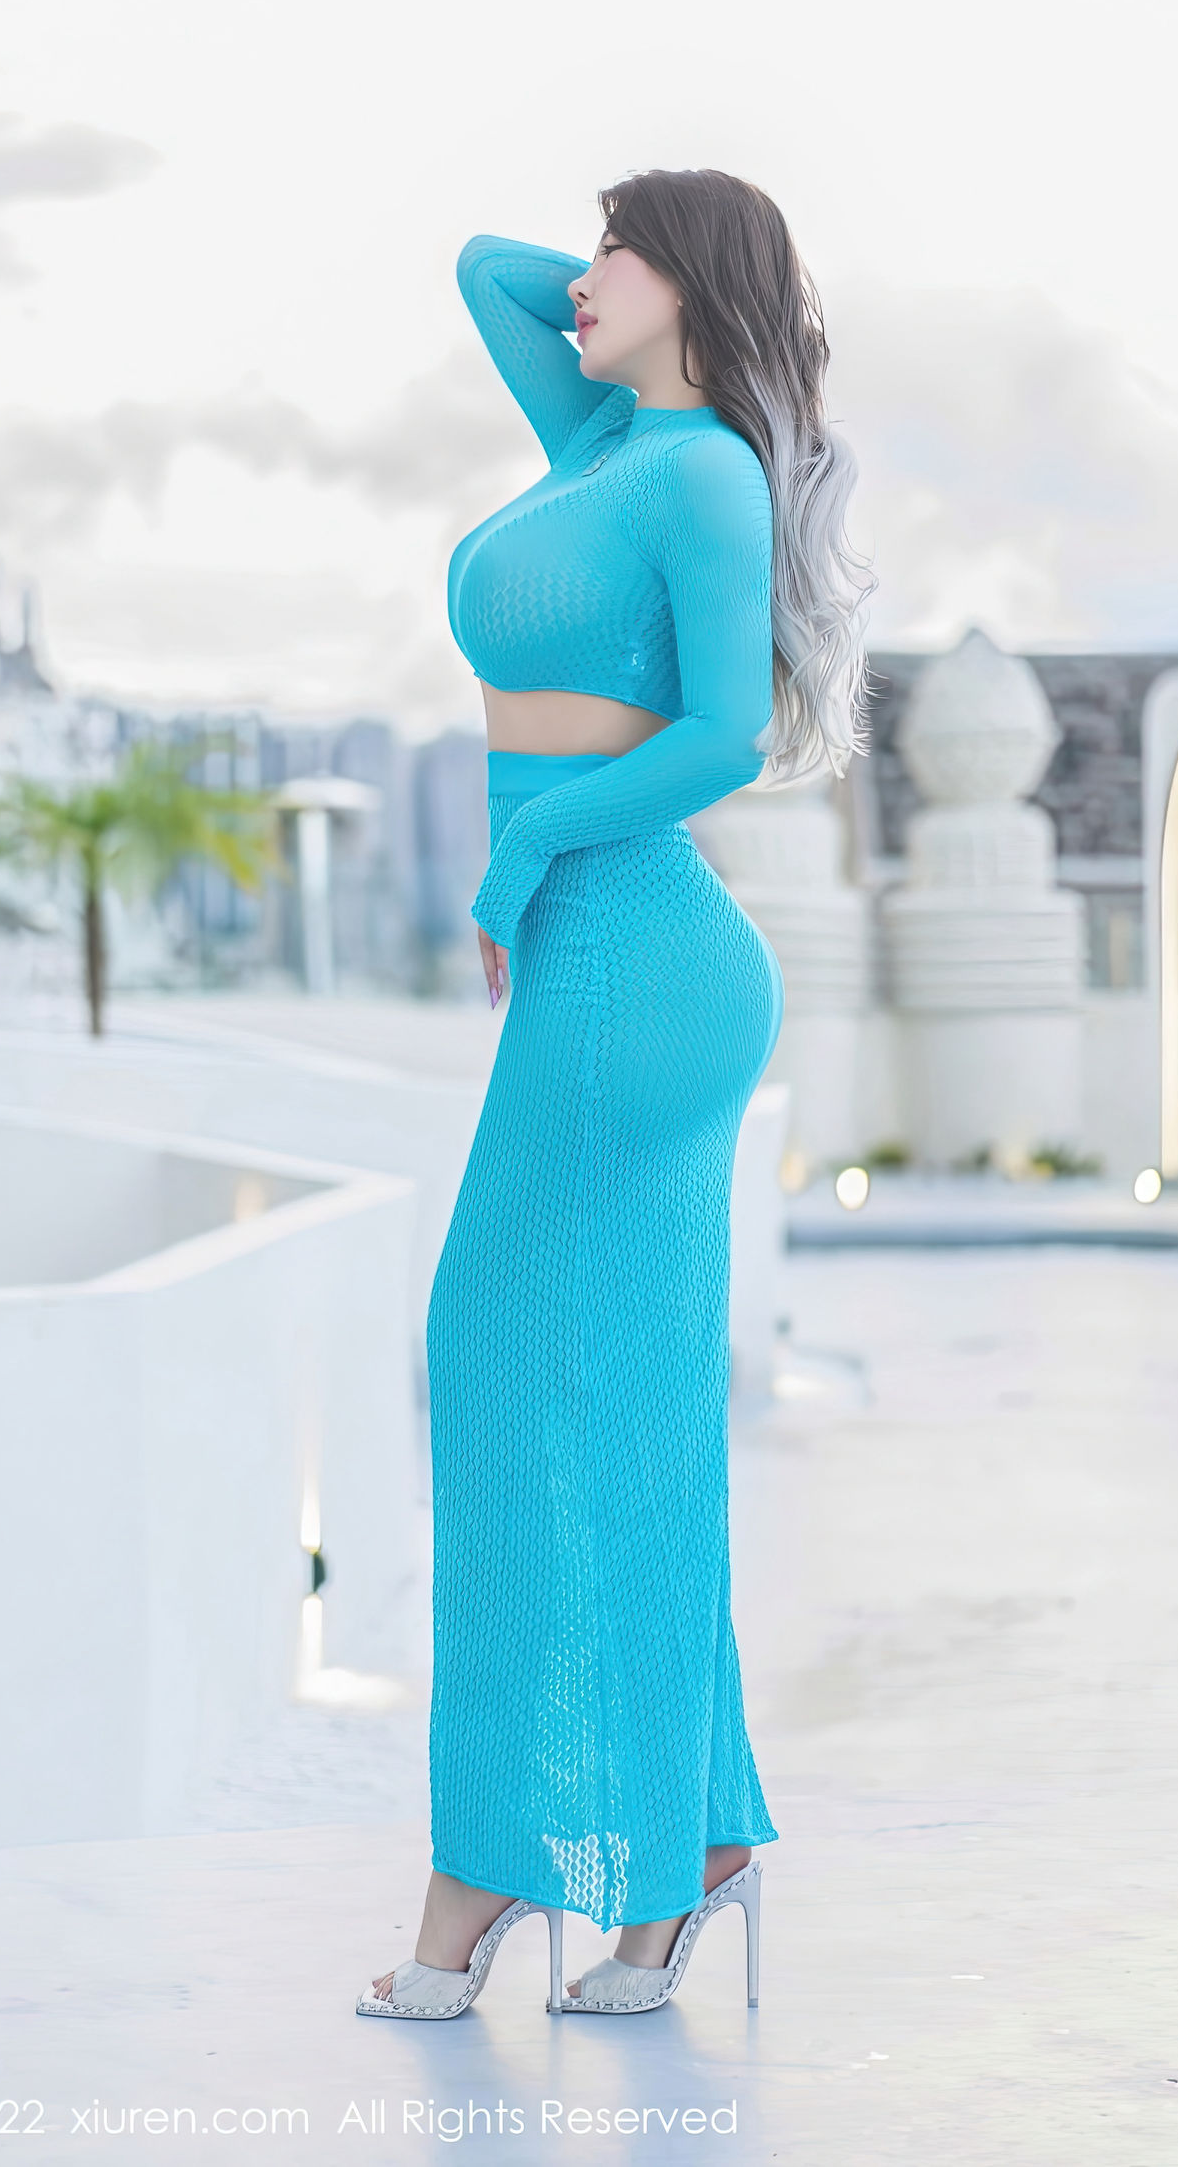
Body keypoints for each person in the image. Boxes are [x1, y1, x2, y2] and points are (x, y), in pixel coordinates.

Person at [357, 167, 870, 2021]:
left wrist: (521, 855)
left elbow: (723, 731)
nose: (575, 278)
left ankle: (501, 1858)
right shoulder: (600, 440)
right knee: (618, 1407)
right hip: (596, 956)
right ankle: (689, 1844)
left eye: (615, 249)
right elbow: (480, 268)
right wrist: (631, 274)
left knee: (498, 1368)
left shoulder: (703, 473)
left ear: (693, 282)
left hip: (632, 948)